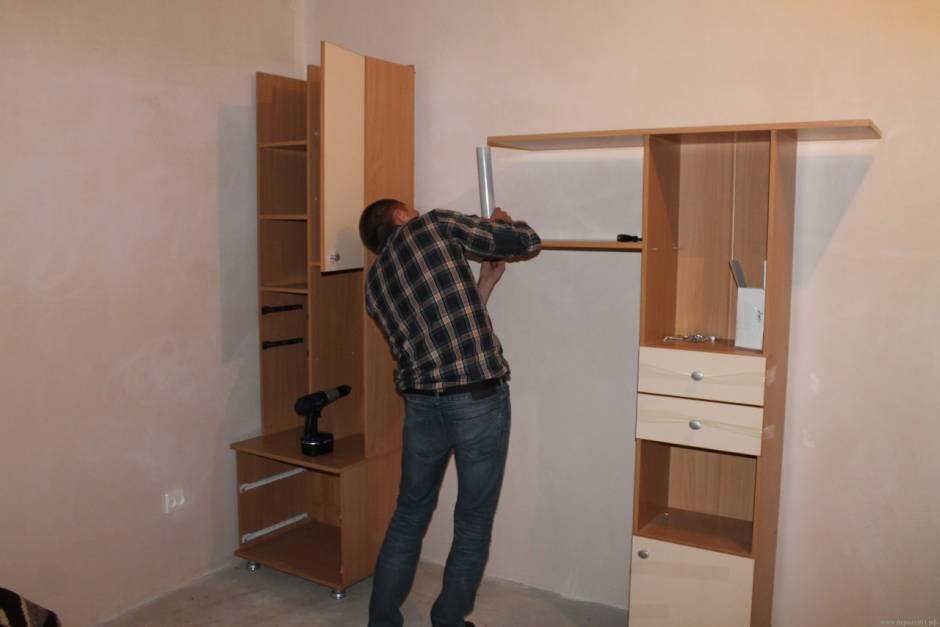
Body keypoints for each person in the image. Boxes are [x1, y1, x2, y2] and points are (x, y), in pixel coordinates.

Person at [359, 199, 541, 627]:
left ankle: (381, 622)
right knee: (473, 520)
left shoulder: (374, 284)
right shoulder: (435, 225)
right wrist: (502, 225)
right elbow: (527, 241)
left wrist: (484, 284)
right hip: (475, 398)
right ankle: (449, 621)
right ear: (400, 217)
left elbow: (441, 329)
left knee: (409, 514)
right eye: (411, 210)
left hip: (423, 404)